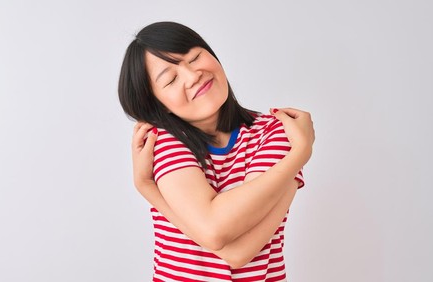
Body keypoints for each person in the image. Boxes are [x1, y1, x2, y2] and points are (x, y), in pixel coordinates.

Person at [118, 21, 314, 282]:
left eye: (195, 57)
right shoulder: (162, 140)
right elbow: (215, 231)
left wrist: (148, 187)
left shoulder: (275, 130)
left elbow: (239, 251)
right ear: (158, 104)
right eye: (171, 79)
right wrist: (299, 155)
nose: (193, 75)